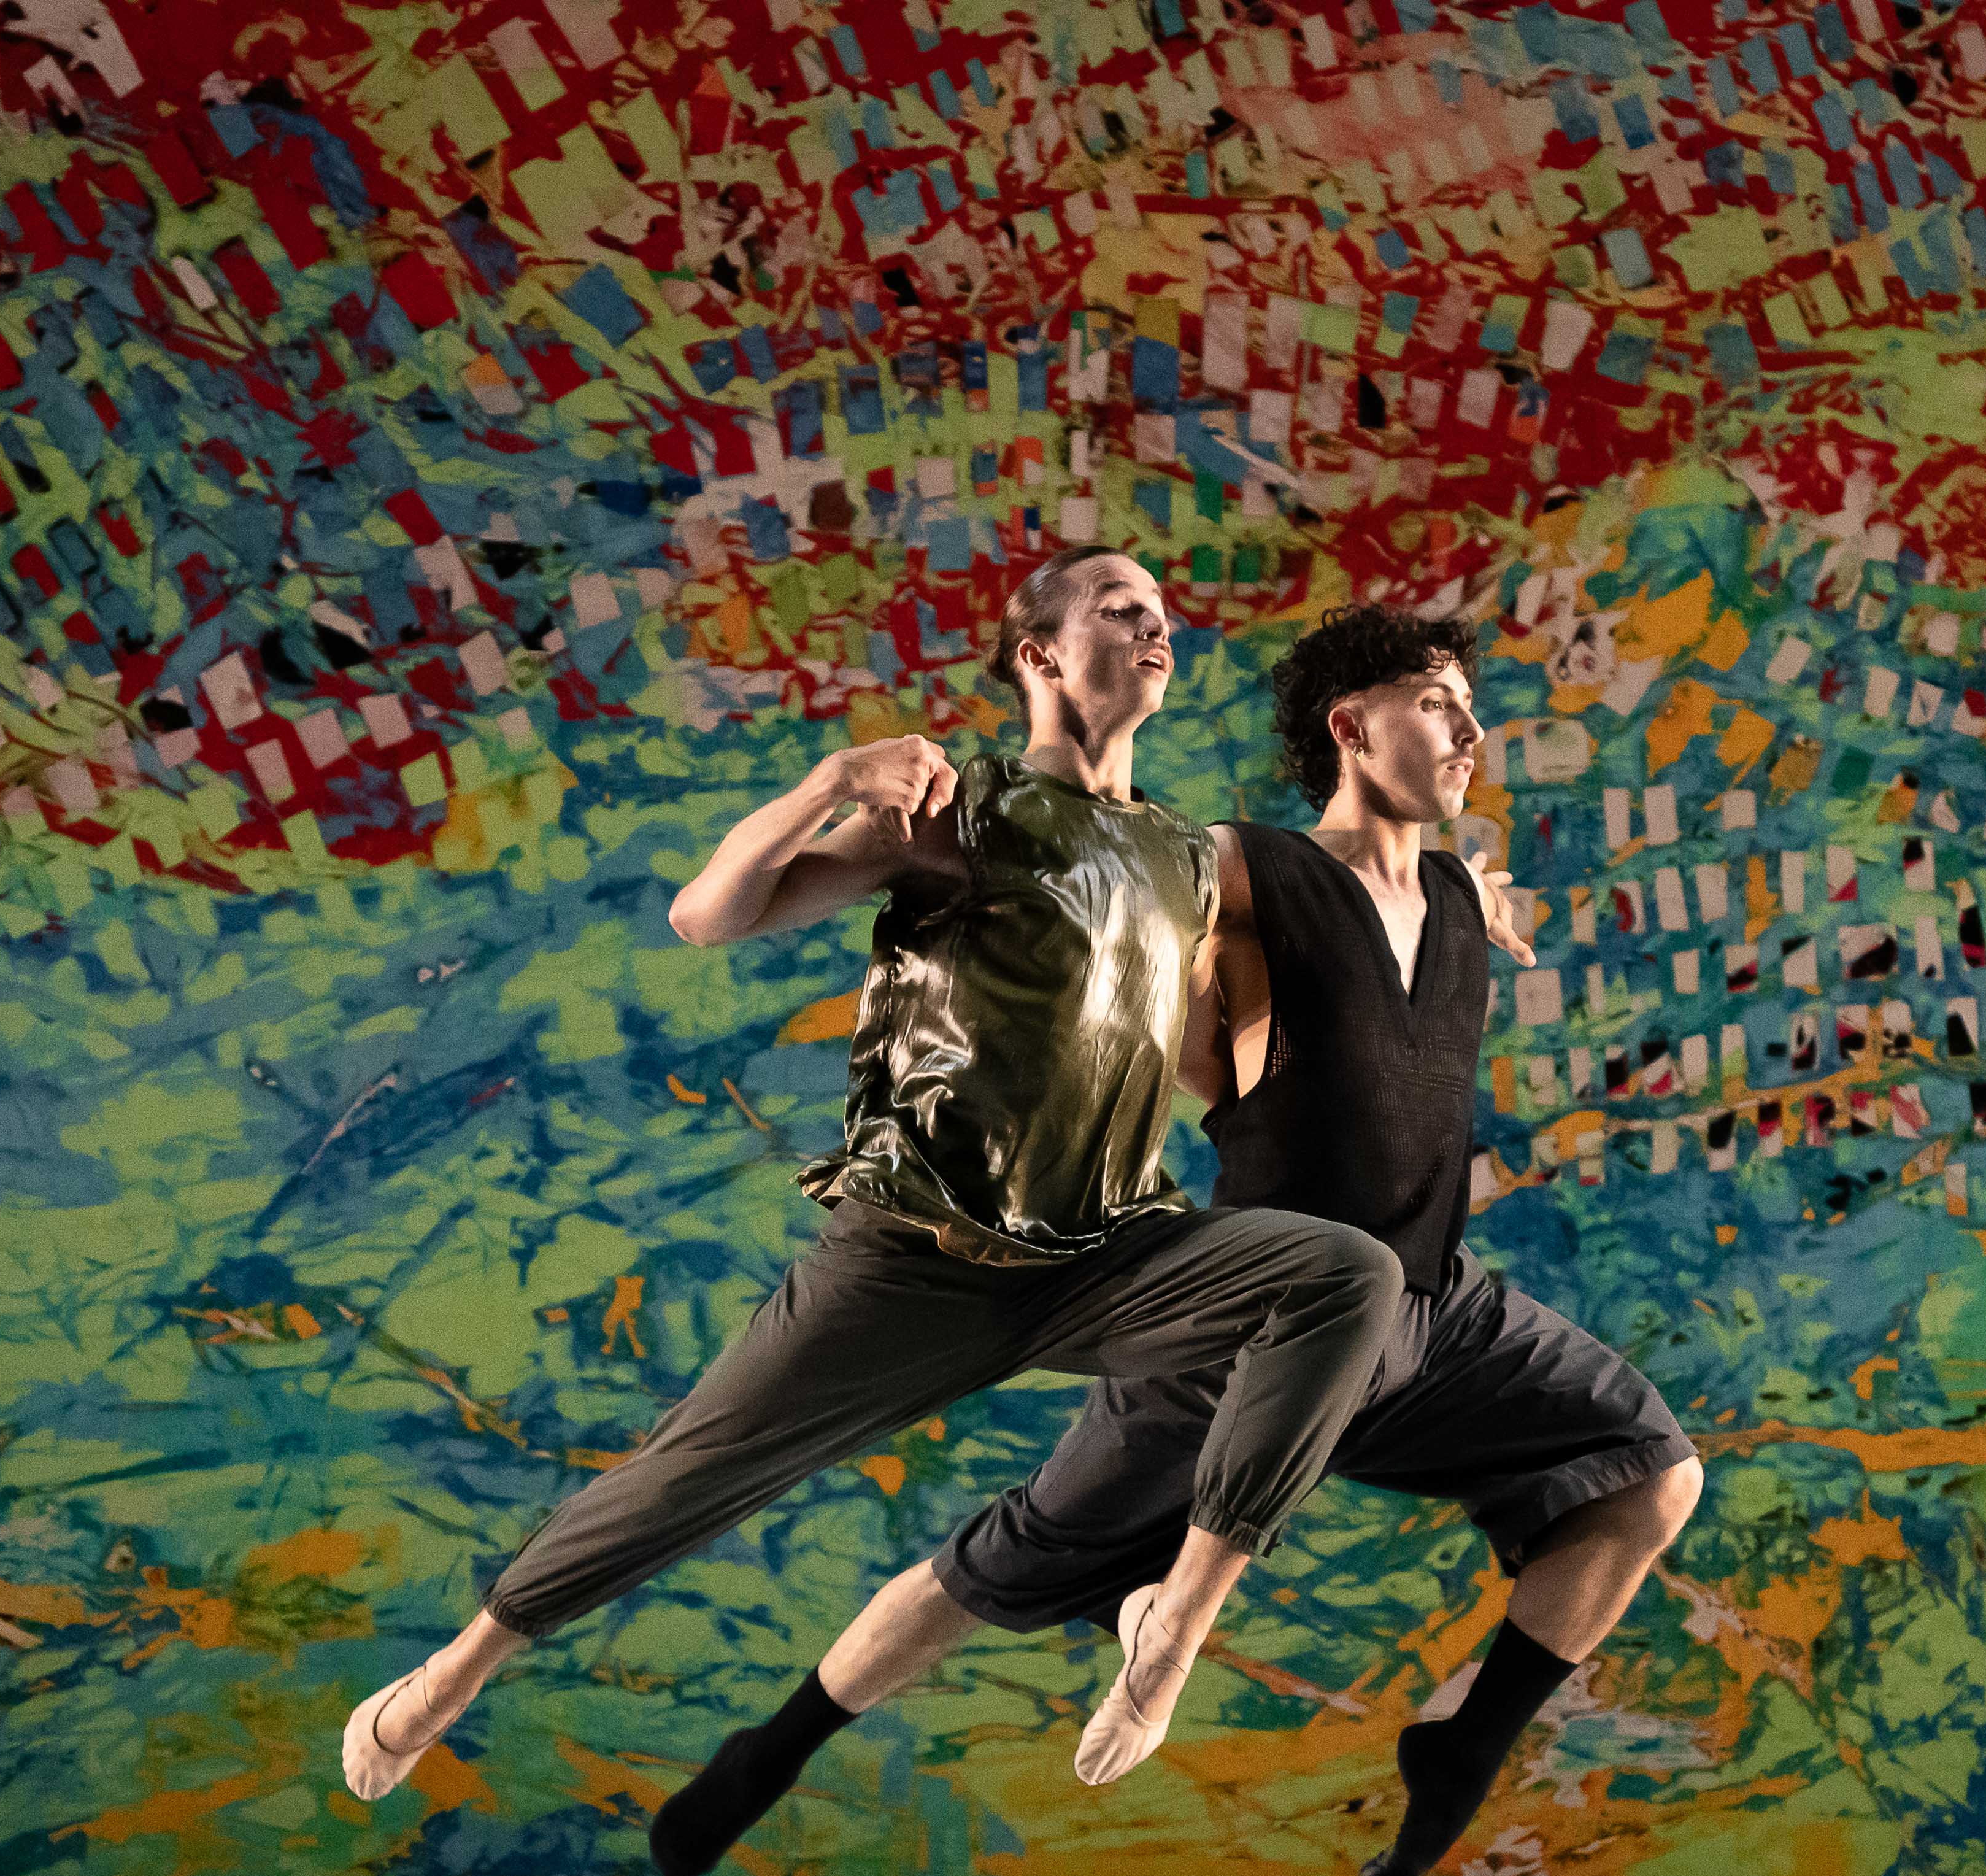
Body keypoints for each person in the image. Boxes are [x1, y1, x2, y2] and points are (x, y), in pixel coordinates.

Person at [645, 604, 1704, 1876]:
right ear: (1351, 726)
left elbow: (1419, 953)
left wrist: (1473, 893)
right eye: (1439, 703)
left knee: (1650, 1475)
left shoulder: (1451, 894)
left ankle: (1462, 1745)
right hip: (1263, 1324)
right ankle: (773, 1748)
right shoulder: (1241, 865)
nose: (1472, 731)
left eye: (1472, 709)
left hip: (1436, 1309)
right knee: (1002, 1563)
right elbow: (1106, 890)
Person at [339, 550, 1402, 1810]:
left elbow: (1186, 1046)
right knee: (690, 1473)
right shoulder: (960, 808)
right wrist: (833, 781)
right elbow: (707, 915)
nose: (1155, 628)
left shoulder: (1182, 855)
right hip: (919, 1256)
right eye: (1121, 610)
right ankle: (459, 1668)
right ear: (1039, 655)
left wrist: (1426, 928)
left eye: (1165, 615)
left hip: (1101, 1257)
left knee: (1343, 1274)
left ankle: (1175, 1615)